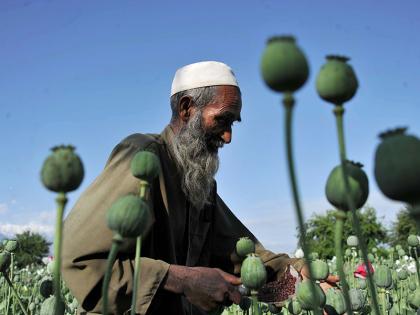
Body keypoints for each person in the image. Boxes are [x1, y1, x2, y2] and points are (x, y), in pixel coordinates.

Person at [61, 61, 335, 315]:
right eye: (222, 120)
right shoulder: (143, 157)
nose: (228, 137)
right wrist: (181, 279)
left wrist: (300, 276)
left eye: (232, 123)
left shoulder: (199, 182)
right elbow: (79, 260)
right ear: (186, 108)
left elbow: (241, 254)